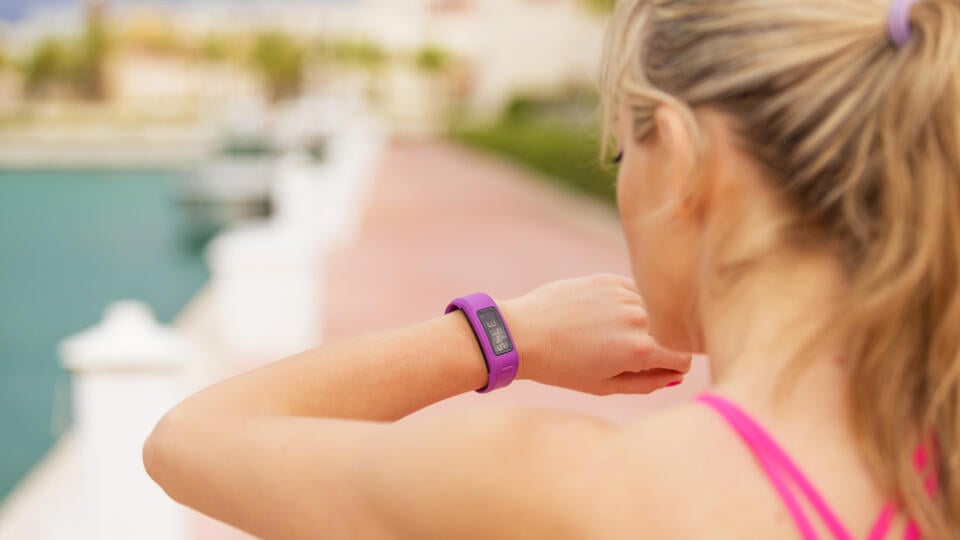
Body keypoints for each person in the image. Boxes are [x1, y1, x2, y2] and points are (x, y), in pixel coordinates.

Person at [143, 0, 960, 537]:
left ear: (680, 161)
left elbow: (193, 438)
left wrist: (504, 336)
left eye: (618, 150)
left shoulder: (565, 490)